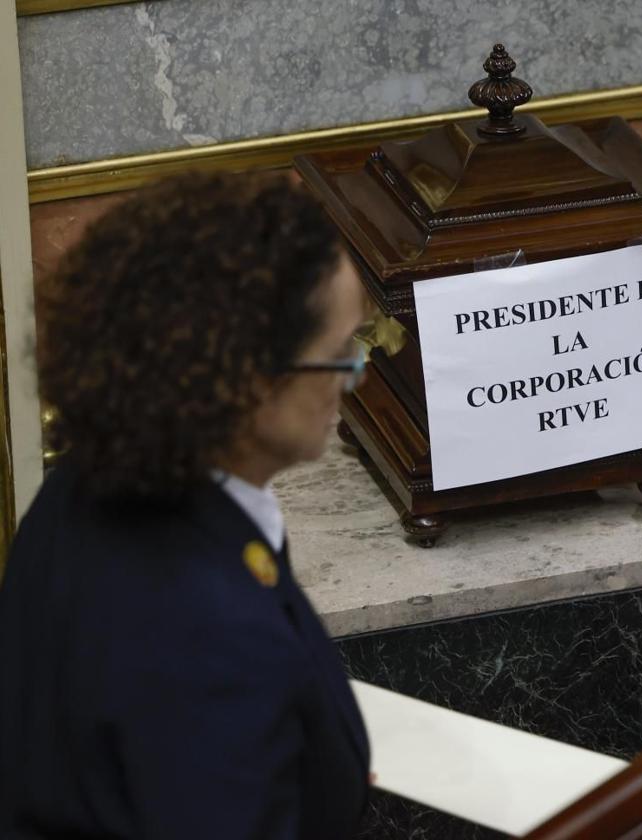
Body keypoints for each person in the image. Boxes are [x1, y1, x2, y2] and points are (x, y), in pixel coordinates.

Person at [0, 171, 372, 839]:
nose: (356, 377)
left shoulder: (85, 482)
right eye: (340, 354)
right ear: (246, 380)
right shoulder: (209, 634)